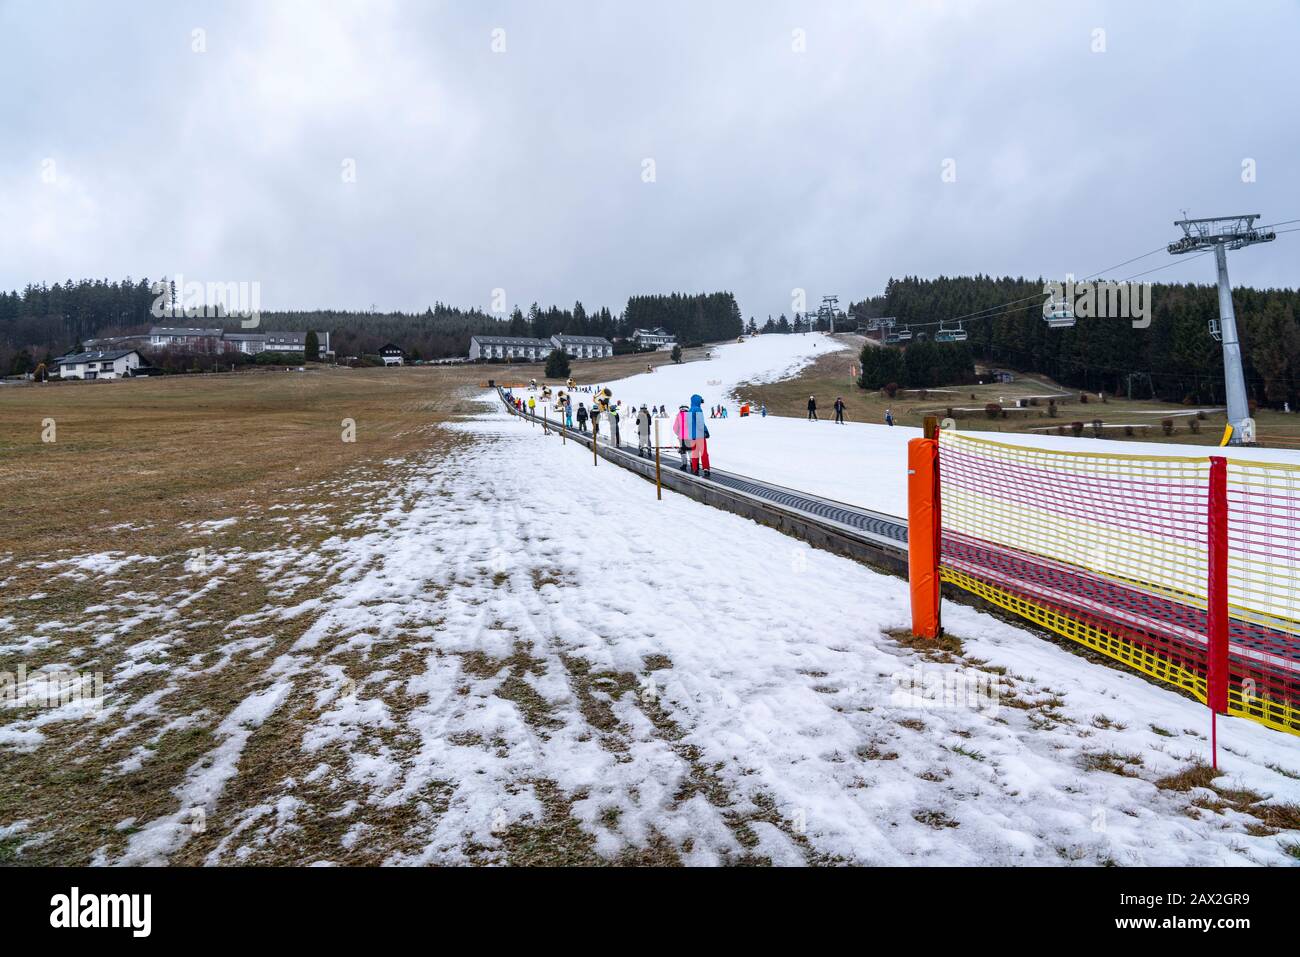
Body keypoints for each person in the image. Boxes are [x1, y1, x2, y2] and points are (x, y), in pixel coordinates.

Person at [675, 393, 711, 477]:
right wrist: (706, 431)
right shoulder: (697, 409)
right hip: (700, 435)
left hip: (692, 436)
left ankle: (695, 469)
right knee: (703, 452)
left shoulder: (690, 410)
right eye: (700, 401)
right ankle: (706, 469)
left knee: (694, 452)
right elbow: (700, 423)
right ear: (698, 401)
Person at [672, 404, 691, 470]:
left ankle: (684, 464)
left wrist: (678, 434)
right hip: (690, 437)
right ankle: (693, 464)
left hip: (682, 437)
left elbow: (675, 427)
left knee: (683, 451)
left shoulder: (679, 415)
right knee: (690, 450)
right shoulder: (690, 415)